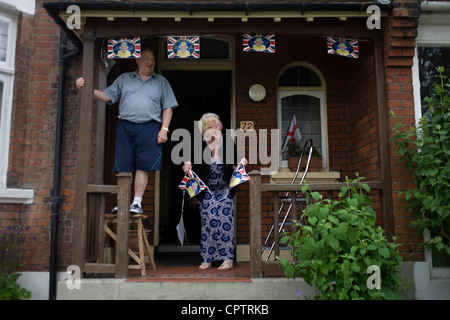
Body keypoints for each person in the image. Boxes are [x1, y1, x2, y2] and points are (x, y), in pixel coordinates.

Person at [76, 47, 178, 214]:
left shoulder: (161, 82)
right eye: (146, 58)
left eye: (152, 59)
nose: (150, 62)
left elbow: (168, 107)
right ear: (137, 60)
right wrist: (86, 88)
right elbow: (107, 96)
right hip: (126, 126)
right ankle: (123, 202)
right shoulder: (124, 79)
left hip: (150, 127)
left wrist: (164, 130)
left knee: (143, 166)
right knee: (124, 165)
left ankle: (136, 203)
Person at [182, 113, 247, 271]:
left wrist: (242, 161)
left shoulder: (227, 143)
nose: (216, 128)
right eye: (212, 126)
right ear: (205, 128)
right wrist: (187, 163)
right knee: (208, 224)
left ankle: (227, 259)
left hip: (225, 191)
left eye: (218, 125)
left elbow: (238, 159)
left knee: (226, 224)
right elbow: (188, 159)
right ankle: (207, 259)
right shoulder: (198, 144)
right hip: (207, 192)